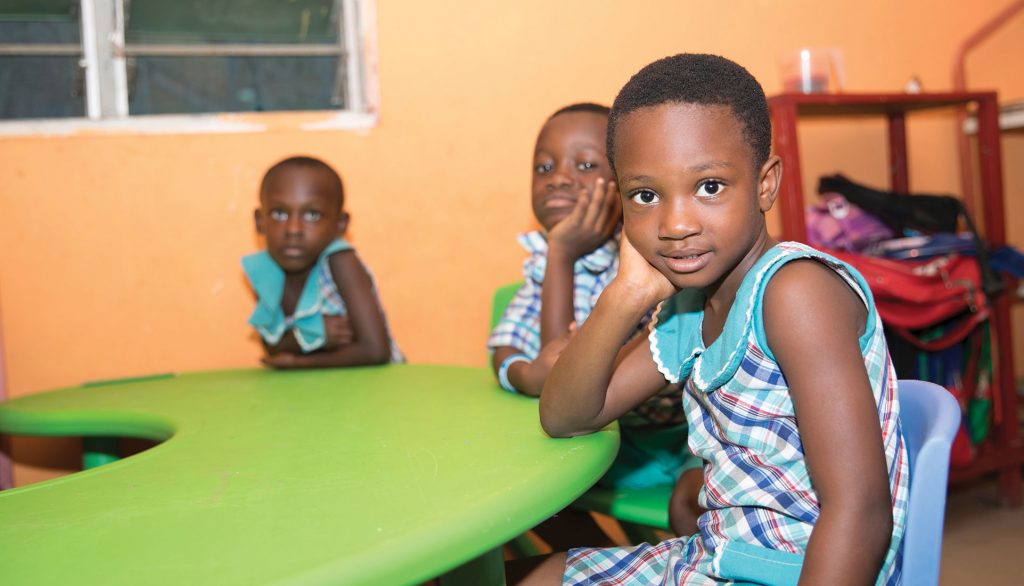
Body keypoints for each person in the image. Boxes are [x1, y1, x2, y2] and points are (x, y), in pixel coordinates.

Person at [521, 54, 908, 585]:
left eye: (709, 186)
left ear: (765, 184)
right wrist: (625, 295)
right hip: (716, 559)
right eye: (646, 195)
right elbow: (565, 415)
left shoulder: (795, 293)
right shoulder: (688, 310)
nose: (676, 223)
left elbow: (860, 512)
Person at [489, 103, 702, 547]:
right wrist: (522, 372)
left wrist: (562, 255)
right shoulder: (541, 263)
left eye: (585, 165)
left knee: (692, 506)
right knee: (514, 490)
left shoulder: (649, 260)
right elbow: (524, 356)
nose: (559, 178)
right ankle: (610, 565)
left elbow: (563, 371)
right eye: (544, 167)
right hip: (602, 441)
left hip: (685, 439)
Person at [243, 156, 403, 368]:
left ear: (340, 224)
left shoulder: (340, 262)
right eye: (279, 214)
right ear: (259, 221)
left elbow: (375, 351)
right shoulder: (264, 272)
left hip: (376, 382)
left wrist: (299, 363)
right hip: (321, 383)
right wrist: (313, 334)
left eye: (312, 215)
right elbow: (273, 346)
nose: (293, 229)